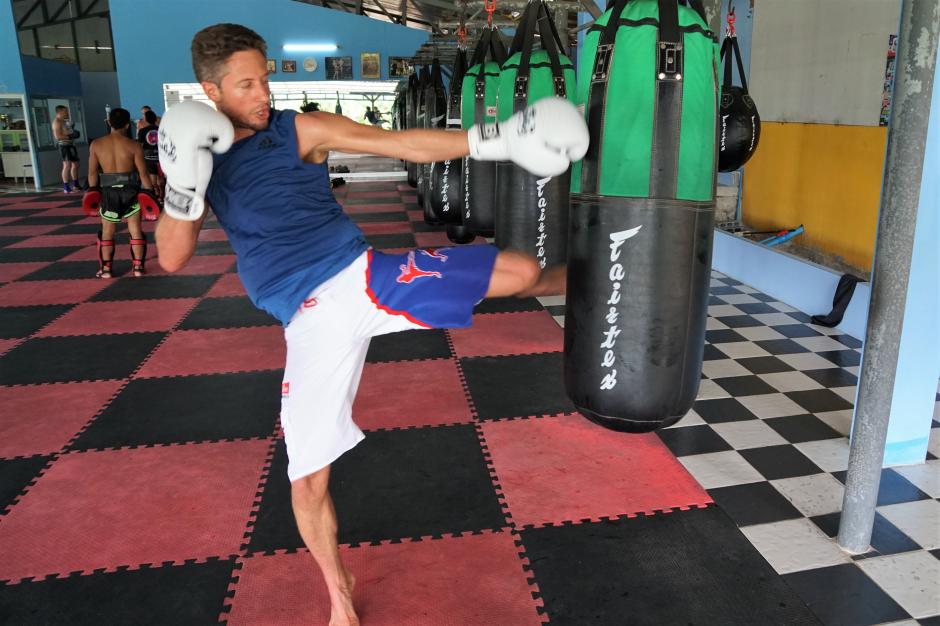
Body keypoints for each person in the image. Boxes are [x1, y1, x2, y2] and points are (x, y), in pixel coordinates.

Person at [155, 23, 587, 626]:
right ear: (211, 90)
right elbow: (172, 258)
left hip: (365, 277)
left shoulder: (299, 129)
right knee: (306, 479)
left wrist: (499, 138)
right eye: (247, 84)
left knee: (520, 271)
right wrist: (181, 187)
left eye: (265, 78)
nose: (263, 94)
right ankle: (340, 595)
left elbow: (400, 143)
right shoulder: (203, 158)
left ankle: (606, 277)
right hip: (308, 320)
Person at [84, 107, 158, 278]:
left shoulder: (96, 144)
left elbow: (92, 173)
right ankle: (138, 268)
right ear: (127, 125)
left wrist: (93, 193)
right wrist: (150, 193)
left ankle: (106, 270)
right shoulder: (134, 145)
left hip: (109, 193)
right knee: (135, 230)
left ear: (109, 123)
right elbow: (143, 174)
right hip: (131, 191)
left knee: (107, 232)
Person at [52, 105, 82, 193]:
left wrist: (73, 132)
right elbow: (58, 136)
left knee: (76, 164)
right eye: (65, 111)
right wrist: (70, 136)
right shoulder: (57, 122)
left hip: (71, 145)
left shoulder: (65, 121)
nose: (67, 113)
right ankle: (66, 187)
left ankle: (76, 185)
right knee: (67, 165)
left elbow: (68, 132)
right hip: (64, 146)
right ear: (60, 112)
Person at [137, 109, 164, 201]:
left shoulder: (142, 131)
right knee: (161, 180)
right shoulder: (161, 130)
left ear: (146, 119)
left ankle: (156, 198)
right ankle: (162, 197)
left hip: (149, 158)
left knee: (153, 182)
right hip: (161, 158)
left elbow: (139, 146)